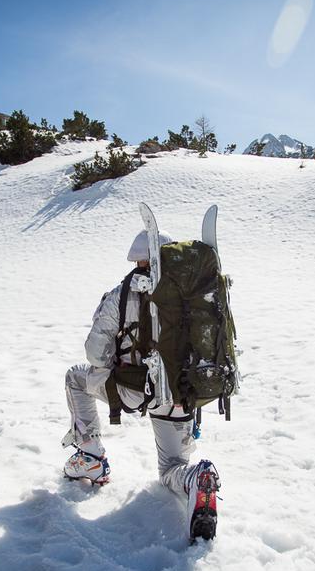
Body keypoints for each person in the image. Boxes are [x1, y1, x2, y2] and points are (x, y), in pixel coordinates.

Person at [61, 229, 221, 540]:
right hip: (183, 396)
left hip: (134, 392)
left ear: (139, 259)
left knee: (76, 378)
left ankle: (91, 457)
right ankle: (193, 478)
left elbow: (95, 354)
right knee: (171, 470)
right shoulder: (191, 294)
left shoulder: (122, 294)